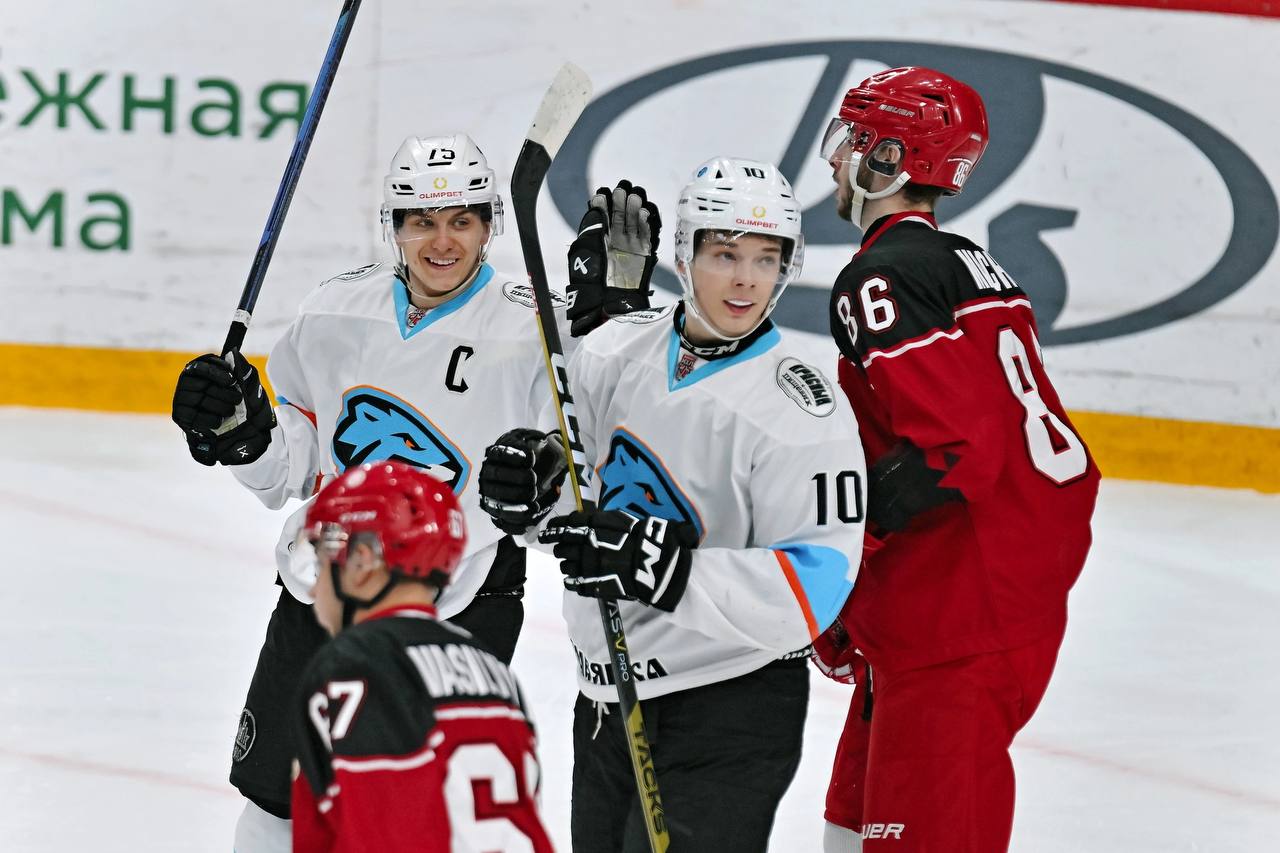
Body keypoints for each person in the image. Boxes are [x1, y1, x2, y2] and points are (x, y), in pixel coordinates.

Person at [169, 133, 570, 850]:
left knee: (414, 815)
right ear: (394, 226)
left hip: (458, 605)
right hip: (322, 590)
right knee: (277, 801)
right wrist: (243, 435)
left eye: (462, 220)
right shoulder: (335, 311)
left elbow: (568, 495)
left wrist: (541, 495)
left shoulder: (534, 328)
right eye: (422, 221)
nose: (442, 241)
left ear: (489, 225)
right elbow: (289, 471)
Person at [479, 158, 866, 853]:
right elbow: (577, 506)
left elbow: (818, 584)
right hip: (606, 695)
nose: (747, 279)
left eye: (766, 258)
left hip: (728, 704)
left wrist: (666, 568)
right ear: (684, 255)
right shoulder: (613, 350)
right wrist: (531, 494)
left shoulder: (801, 408)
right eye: (726, 255)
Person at [814, 67, 1101, 852]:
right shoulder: (976, 265)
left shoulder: (879, 277)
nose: (836, 158)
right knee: (851, 827)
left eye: (855, 140)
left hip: (958, 621)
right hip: (957, 606)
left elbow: (953, 450)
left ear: (891, 160)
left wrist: (834, 561)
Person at [290, 460, 553, 851]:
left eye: (323, 562)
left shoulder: (352, 669)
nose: (315, 589)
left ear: (361, 561)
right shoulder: (493, 669)